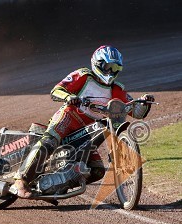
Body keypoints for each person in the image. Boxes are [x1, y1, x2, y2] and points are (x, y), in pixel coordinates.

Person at [13, 45, 155, 198]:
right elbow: (56, 90)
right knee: (49, 142)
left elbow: (135, 112)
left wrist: (144, 102)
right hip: (69, 118)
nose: (110, 71)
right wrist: (69, 97)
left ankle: (55, 183)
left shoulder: (117, 89)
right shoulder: (84, 76)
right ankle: (20, 180)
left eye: (115, 68)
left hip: (88, 131)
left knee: (97, 171)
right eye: (107, 66)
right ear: (98, 64)